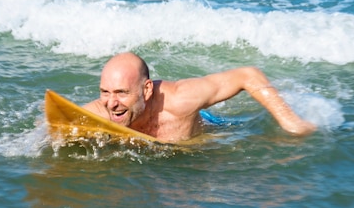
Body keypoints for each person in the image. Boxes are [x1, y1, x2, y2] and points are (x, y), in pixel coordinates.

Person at [83, 52, 316, 143]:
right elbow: (55, 119)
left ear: (146, 90)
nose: (111, 103)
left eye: (122, 93)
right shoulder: (102, 109)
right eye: (105, 91)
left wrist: (292, 123)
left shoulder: (182, 99)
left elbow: (248, 75)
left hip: (206, 125)